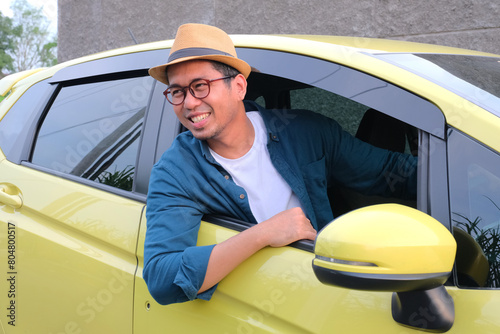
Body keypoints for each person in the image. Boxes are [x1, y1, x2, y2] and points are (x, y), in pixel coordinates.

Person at [144, 23, 417, 305]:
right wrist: (264, 233)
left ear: (238, 86)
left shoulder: (306, 132)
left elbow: (393, 172)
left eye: (200, 86)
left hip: (332, 296)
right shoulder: (175, 172)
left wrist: (464, 177)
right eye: (177, 92)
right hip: (255, 307)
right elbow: (163, 280)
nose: (188, 103)